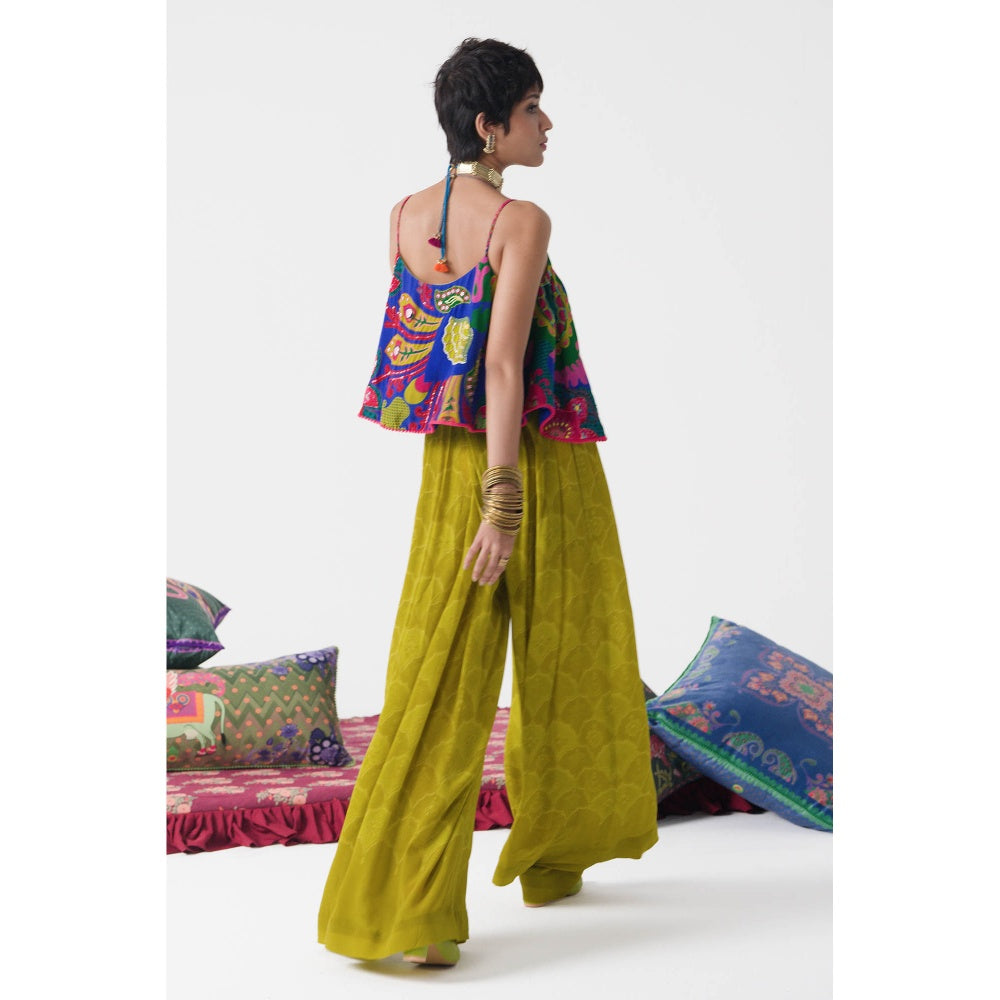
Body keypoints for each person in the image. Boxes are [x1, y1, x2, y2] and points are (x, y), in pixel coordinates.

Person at [316, 37, 658, 967]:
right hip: (535, 461)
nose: (547, 124)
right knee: (572, 644)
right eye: (532, 108)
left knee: (437, 673)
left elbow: (434, 356)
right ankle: (552, 852)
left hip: (445, 467)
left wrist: (473, 487)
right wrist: (503, 502)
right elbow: (501, 366)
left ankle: (415, 907)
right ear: (488, 125)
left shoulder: (404, 216)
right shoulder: (522, 220)